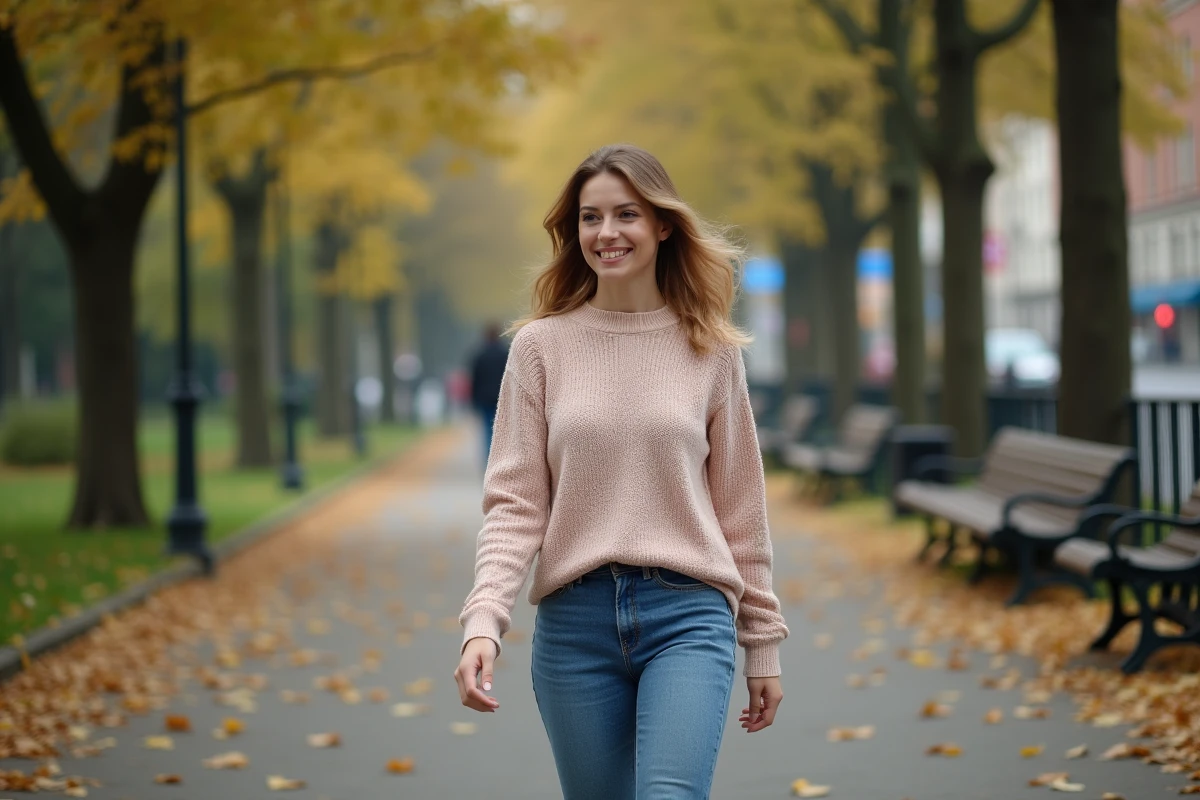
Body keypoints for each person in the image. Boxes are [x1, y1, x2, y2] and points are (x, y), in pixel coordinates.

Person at [453, 144, 789, 799]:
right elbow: (516, 506)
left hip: (688, 616)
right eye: (589, 218)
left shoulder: (712, 351)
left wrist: (763, 644)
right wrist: (483, 620)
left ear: (663, 223)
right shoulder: (540, 348)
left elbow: (741, 509)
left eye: (626, 214)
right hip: (574, 628)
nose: (605, 233)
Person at [468, 322, 509, 467]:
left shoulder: (479, 355)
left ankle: (489, 460)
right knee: (501, 430)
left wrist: (473, 400)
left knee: (487, 429)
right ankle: (500, 459)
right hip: (501, 398)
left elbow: (474, 379)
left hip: (484, 398)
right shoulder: (506, 354)